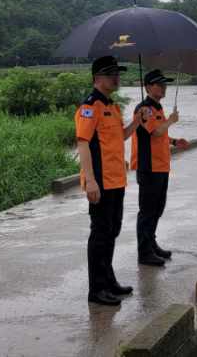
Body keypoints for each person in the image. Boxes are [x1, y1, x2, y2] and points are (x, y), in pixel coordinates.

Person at [76, 56, 143, 306]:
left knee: (112, 231)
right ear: (97, 78)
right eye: (110, 74)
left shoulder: (113, 107)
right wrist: (90, 181)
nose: (116, 78)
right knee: (100, 234)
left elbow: (120, 137)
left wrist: (136, 122)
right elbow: (83, 144)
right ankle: (97, 289)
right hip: (100, 181)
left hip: (117, 180)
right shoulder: (89, 107)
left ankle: (109, 280)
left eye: (117, 73)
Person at [131, 69, 190, 266]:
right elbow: (155, 132)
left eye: (165, 84)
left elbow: (160, 135)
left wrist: (174, 141)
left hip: (161, 166)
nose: (164, 87)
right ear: (148, 87)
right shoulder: (144, 109)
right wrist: (171, 121)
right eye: (159, 84)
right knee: (147, 211)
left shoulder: (157, 108)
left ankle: (151, 244)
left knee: (158, 208)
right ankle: (144, 252)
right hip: (148, 167)